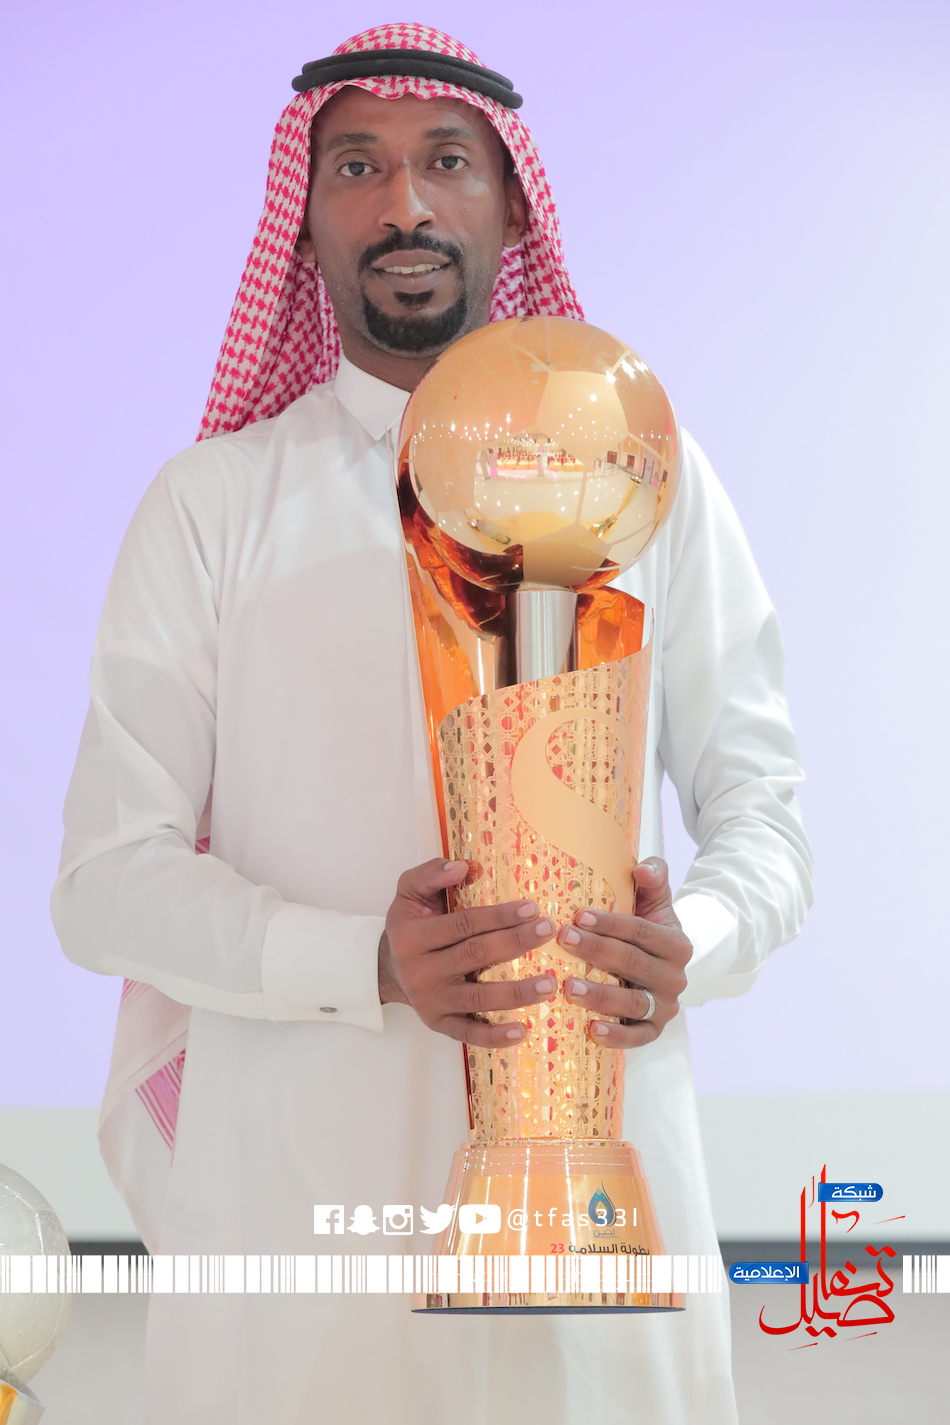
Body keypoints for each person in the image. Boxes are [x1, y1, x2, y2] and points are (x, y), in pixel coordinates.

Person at [51, 23, 812, 1425]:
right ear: (302, 219)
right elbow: (105, 883)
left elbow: (763, 815)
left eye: (446, 161)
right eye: (357, 167)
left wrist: (689, 944)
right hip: (299, 1230)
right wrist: (365, 961)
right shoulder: (210, 506)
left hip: (599, 1204)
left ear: (513, 205)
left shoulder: (648, 474)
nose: (403, 203)